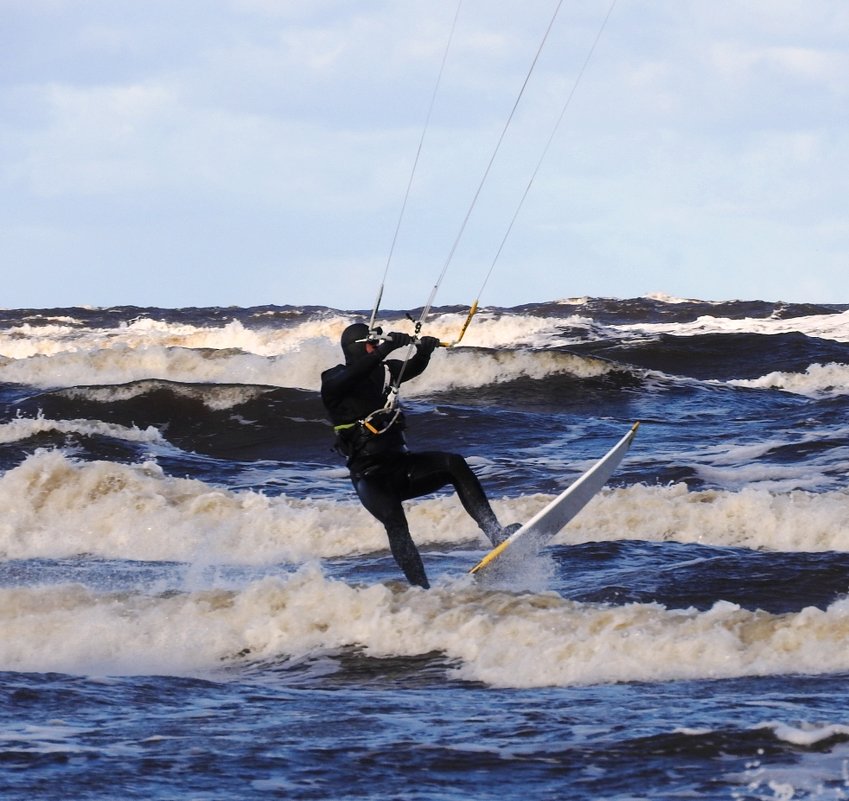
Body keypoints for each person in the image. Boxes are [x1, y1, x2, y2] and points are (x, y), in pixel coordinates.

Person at [321, 322, 514, 588]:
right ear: (356, 348)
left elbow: (412, 368)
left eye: (377, 344)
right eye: (372, 344)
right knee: (396, 523)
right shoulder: (333, 380)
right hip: (371, 477)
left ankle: (497, 535)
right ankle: (422, 589)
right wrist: (386, 349)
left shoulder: (386, 372)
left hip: (402, 467)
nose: (376, 348)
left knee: (453, 463)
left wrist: (424, 353)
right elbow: (348, 378)